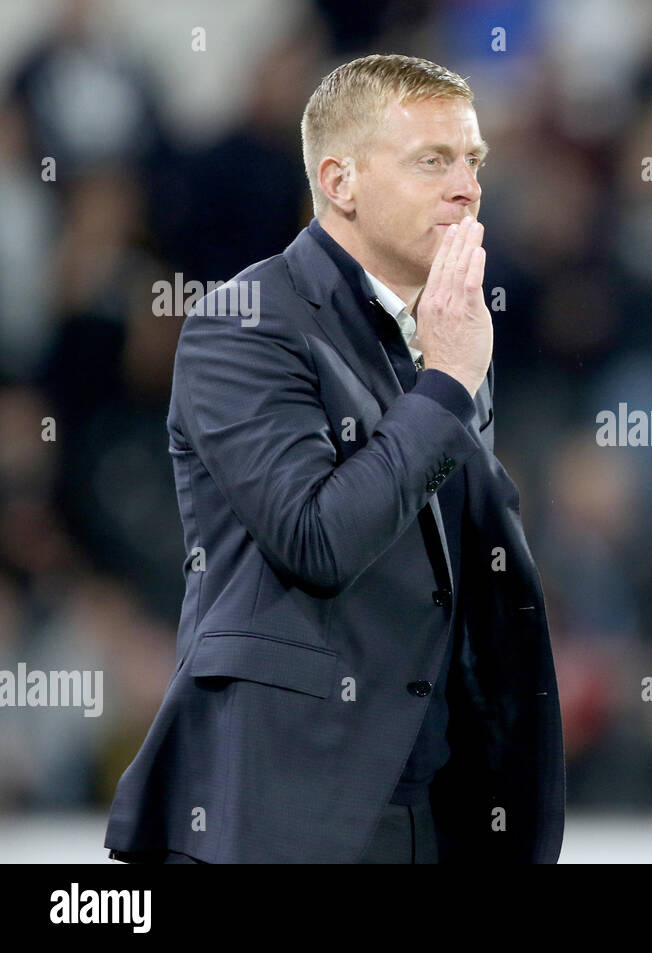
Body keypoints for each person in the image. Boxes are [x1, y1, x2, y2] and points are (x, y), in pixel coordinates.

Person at [103, 53, 565, 863]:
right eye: (433, 160)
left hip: (442, 812)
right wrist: (450, 382)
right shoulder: (245, 323)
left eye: (473, 162)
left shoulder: (449, 334)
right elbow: (318, 538)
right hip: (285, 811)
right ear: (340, 181)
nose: (467, 186)